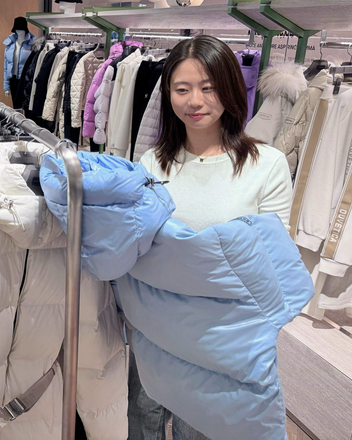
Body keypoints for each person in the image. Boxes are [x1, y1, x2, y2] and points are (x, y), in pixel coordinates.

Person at [134, 35, 292, 439]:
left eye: (208, 88)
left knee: (201, 430)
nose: (195, 101)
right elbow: (136, 250)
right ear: (167, 93)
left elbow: (271, 265)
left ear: (230, 88)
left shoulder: (267, 165)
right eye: (181, 89)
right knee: (143, 423)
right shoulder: (151, 163)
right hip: (153, 332)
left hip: (222, 343)